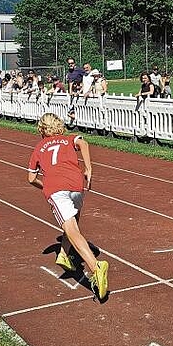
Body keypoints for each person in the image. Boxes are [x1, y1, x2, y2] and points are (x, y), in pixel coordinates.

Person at [27, 112, 109, 300]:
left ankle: (96, 267)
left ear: (41, 130)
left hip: (57, 189)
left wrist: (45, 185)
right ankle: (64, 254)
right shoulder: (68, 139)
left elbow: (31, 178)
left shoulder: (39, 148)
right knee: (73, 220)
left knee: (71, 229)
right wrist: (88, 168)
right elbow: (84, 143)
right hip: (76, 185)